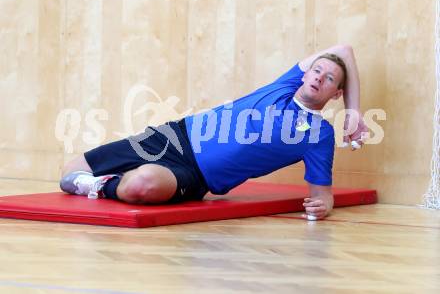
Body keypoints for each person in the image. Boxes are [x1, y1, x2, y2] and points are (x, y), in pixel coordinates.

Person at [60, 44, 368, 220]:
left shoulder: (319, 135)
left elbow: (322, 196)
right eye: (316, 70)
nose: (319, 78)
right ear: (305, 74)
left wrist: (323, 206)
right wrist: (355, 112)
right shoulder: (284, 85)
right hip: (176, 137)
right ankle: (97, 180)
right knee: (69, 174)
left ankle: (102, 186)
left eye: (329, 79)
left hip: (195, 176)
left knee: (142, 186)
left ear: (336, 93)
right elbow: (344, 49)